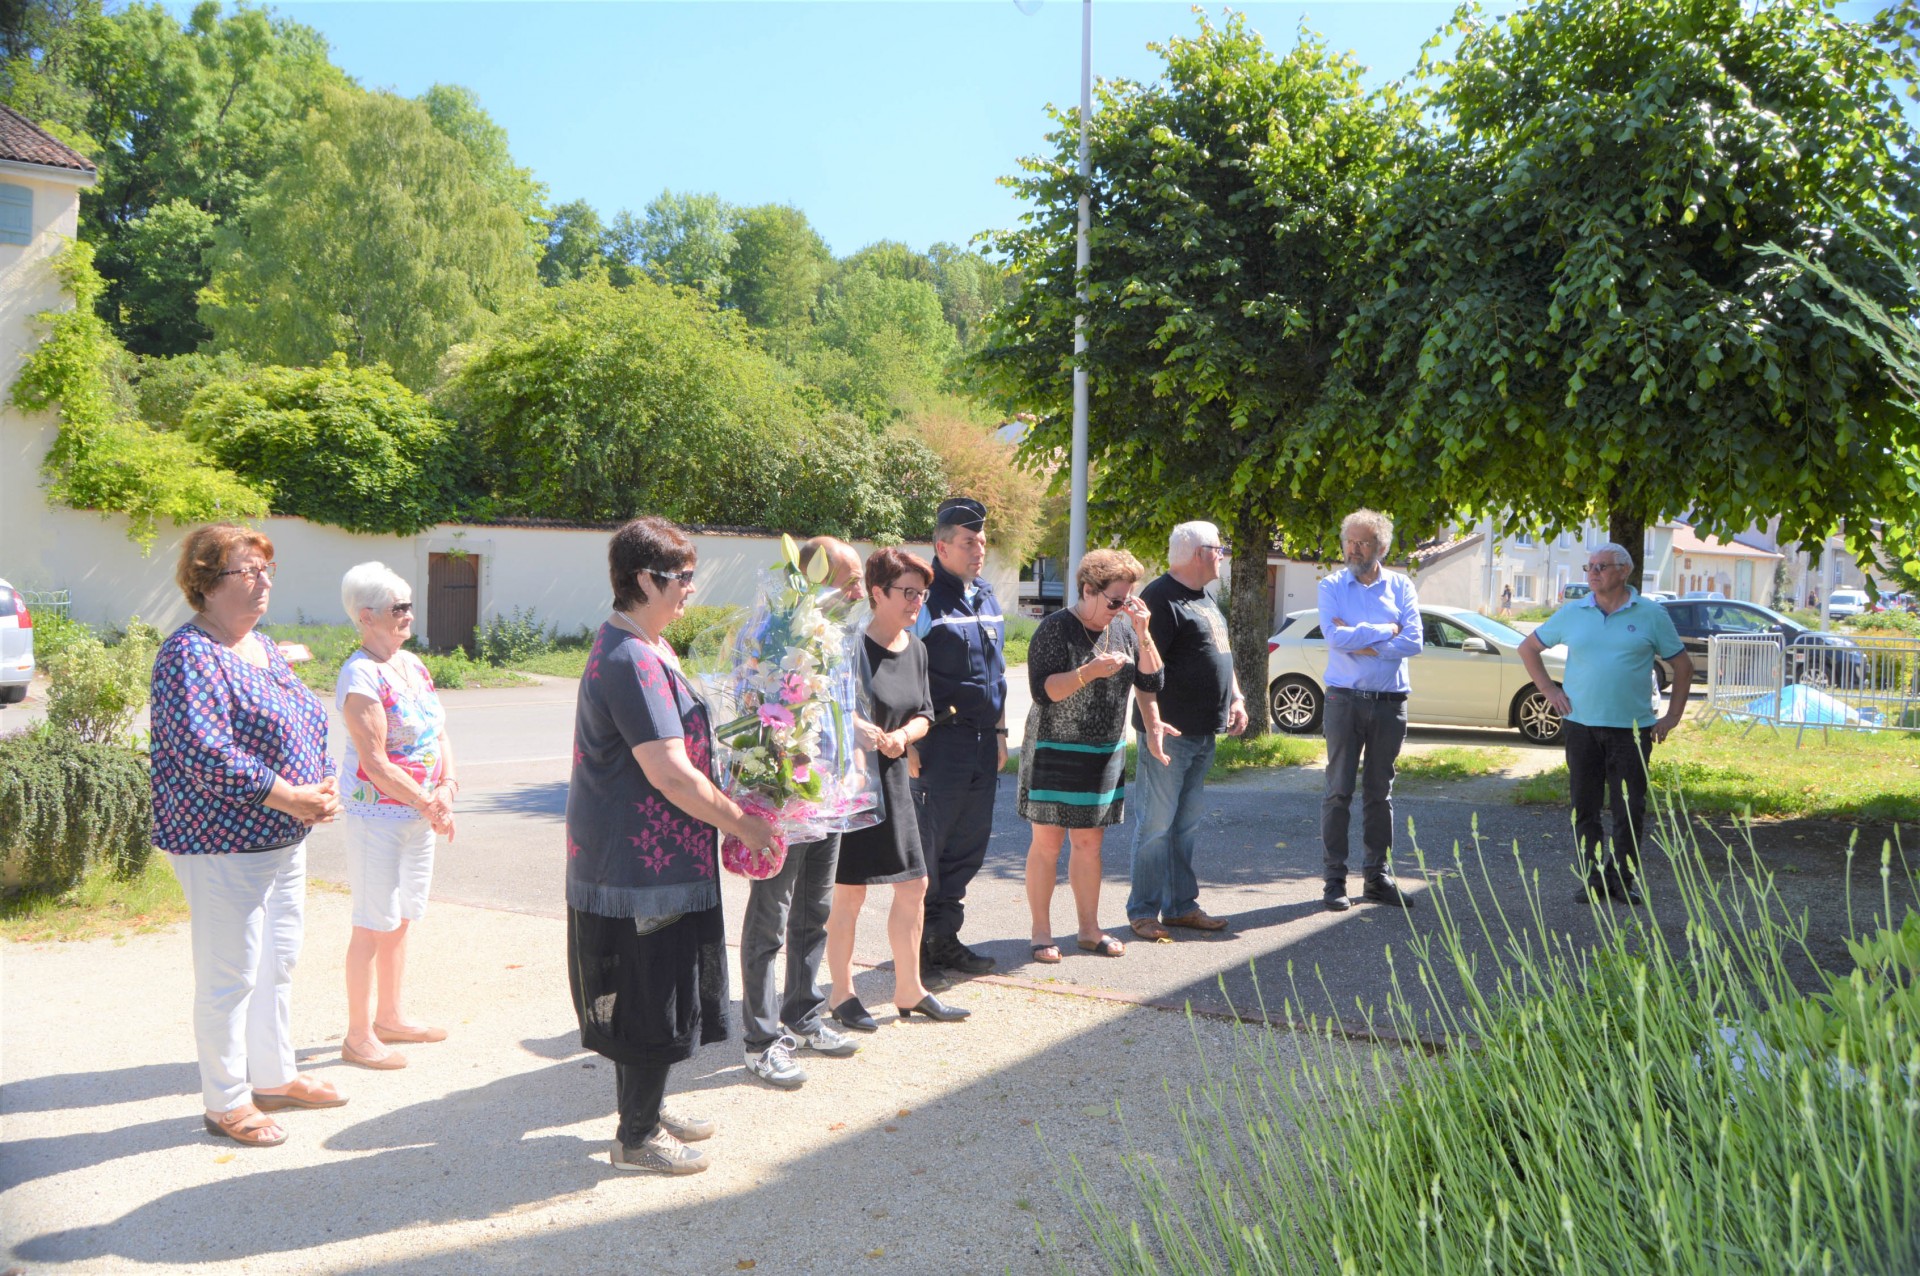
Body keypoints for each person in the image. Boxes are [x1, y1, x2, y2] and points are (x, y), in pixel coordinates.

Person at [566, 516, 777, 1175]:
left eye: (690, 574)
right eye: (681, 576)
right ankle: (635, 1137)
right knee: (650, 989)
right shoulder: (630, 657)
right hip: (637, 866)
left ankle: (649, 1109)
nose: (690, 587)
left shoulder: (645, 645)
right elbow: (668, 772)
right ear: (641, 580)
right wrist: (743, 823)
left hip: (654, 860)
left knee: (661, 985)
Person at [151, 524, 344, 1148]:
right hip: (221, 841)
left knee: (277, 962)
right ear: (206, 584)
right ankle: (226, 1102)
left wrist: (322, 786)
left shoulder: (260, 646)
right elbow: (204, 750)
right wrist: (289, 795)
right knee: (229, 974)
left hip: (282, 837)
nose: (263, 583)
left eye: (267, 570)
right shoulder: (189, 654)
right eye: (247, 572)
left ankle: (275, 1076)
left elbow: (305, 722)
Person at [738, 535, 865, 1091]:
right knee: (772, 914)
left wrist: (855, 763)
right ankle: (761, 1040)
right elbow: (747, 711)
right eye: (849, 578)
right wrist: (772, 781)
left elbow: (847, 705)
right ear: (812, 575)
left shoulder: (838, 636)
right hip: (783, 795)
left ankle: (804, 1014)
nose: (860, 590)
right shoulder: (770, 633)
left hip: (831, 793)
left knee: (815, 909)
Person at [825, 548, 970, 1027]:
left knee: (915, 885)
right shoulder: (846, 647)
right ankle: (841, 995)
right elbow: (820, 712)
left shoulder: (918, 648)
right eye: (907, 592)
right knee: (849, 896)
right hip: (852, 785)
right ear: (876, 593)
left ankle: (909, 990)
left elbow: (926, 713)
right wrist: (857, 729)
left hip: (895, 780)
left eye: (921, 593)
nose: (916, 602)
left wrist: (904, 736)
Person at [334, 562, 458, 1072]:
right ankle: (358, 1035)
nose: (408, 615)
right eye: (397, 608)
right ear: (366, 617)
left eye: (409, 605)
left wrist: (448, 787)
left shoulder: (413, 665)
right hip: (378, 817)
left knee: (403, 916)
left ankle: (391, 1017)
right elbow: (375, 761)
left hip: (415, 815)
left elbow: (438, 734)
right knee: (372, 922)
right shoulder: (359, 673)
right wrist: (428, 802)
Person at [1518, 542, 1692, 905]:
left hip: (1632, 730)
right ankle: (1593, 877)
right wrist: (1549, 690)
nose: (1593, 573)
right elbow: (1528, 648)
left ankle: (1622, 880)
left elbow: (1683, 666)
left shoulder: (1650, 614)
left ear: (1624, 571)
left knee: (1630, 809)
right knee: (1585, 806)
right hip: (1581, 726)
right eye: (1590, 567)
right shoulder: (1574, 612)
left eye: (1602, 567)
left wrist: (1672, 717)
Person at [1020, 549, 1166, 962]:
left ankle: (1088, 929)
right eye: (1114, 601)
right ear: (1088, 590)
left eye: (1128, 600)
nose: (1120, 609)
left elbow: (1152, 679)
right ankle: (1040, 932)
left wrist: (1143, 631)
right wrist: (1089, 672)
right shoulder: (1055, 629)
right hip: (1054, 747)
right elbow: (1043, 691)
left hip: (1102, 750)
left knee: (1089, 844)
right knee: (1047, 844)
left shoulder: (1124, 628)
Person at [1126, 521, 1246, 942]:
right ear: (1200, 553)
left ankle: (1180, 907)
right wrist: (1154, 724)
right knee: (1157, 824)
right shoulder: (1159, 598)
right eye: (1219, 548)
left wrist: (1236, 698)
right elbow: (1143, 672)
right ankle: (1143, 911)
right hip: (1169, 734)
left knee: (1185, 824)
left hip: (1202, 731)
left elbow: (1220, 652)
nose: (1223, 555)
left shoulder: (1204, 597)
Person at [911, 497, 1008, 979]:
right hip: (938, 744)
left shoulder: (985, 594)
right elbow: (898, 671)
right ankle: (915, 950)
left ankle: (943, 940)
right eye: (969, 542)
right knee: (930, 847)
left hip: (981, 743)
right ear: (941, 546)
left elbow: (998, 674)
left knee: (967, 846)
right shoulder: (924, 600)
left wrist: (1001, 732)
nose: (979, 549)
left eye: (982, 541)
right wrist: (907, 741)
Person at [1318, 509, 1424, 912]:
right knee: (1338, 791)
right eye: (1349, 541)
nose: (1353, 549)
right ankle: (1334, 881)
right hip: (1343, 700)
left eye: (1363, 542)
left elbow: (1415, 641)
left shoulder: (1401, 586)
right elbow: (1333, 635)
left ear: (1381, 547)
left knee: (1380, 794)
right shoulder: (1331, 585)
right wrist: (1387, 630)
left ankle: (1377, 878)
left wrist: (1361, 640)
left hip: (1389, 704)